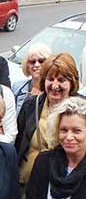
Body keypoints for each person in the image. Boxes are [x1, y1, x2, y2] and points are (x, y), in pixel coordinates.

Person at [15, 53, 80, 187]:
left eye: (61, 80)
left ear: (72, 82)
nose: (55, 85)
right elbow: (18, 144)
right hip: (29, 182)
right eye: (50, 79)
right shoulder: (30, 105)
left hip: (66, 186)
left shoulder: (81, 109)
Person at [12, 43, 51, 114]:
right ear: (27, 65)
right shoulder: (17, 87)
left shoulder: (54, 89)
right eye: (32, 62)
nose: (36, 65)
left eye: (41, 61)